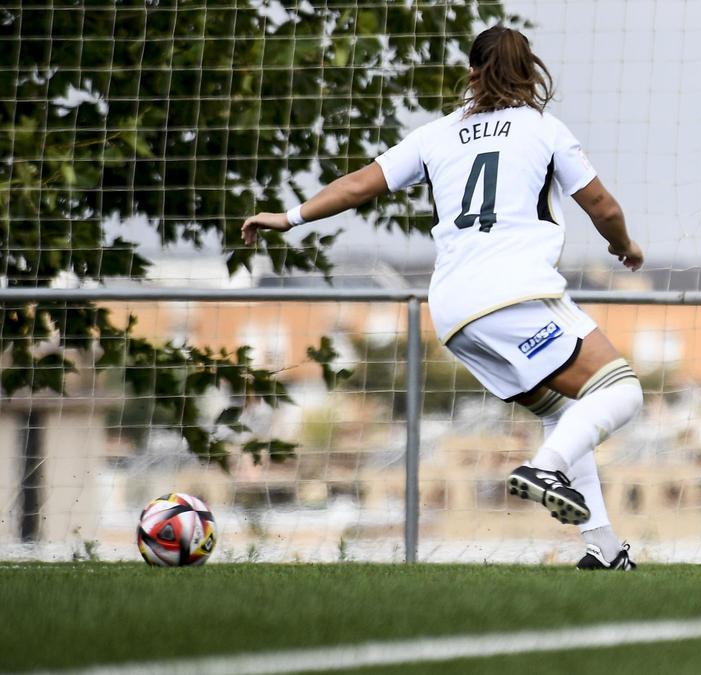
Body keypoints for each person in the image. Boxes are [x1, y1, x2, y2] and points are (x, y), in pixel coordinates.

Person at [242, 26, 645, 570]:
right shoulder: (545, 130)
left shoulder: (436, 135)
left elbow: (361, 183)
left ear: (473, 73)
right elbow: (603, 206)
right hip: (515, 292)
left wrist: (288, 218)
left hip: (454, 311)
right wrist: (625, 248)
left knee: (561, 411)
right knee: (622, 392)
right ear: (530, 70)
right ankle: (544, 470)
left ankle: (603, 548)